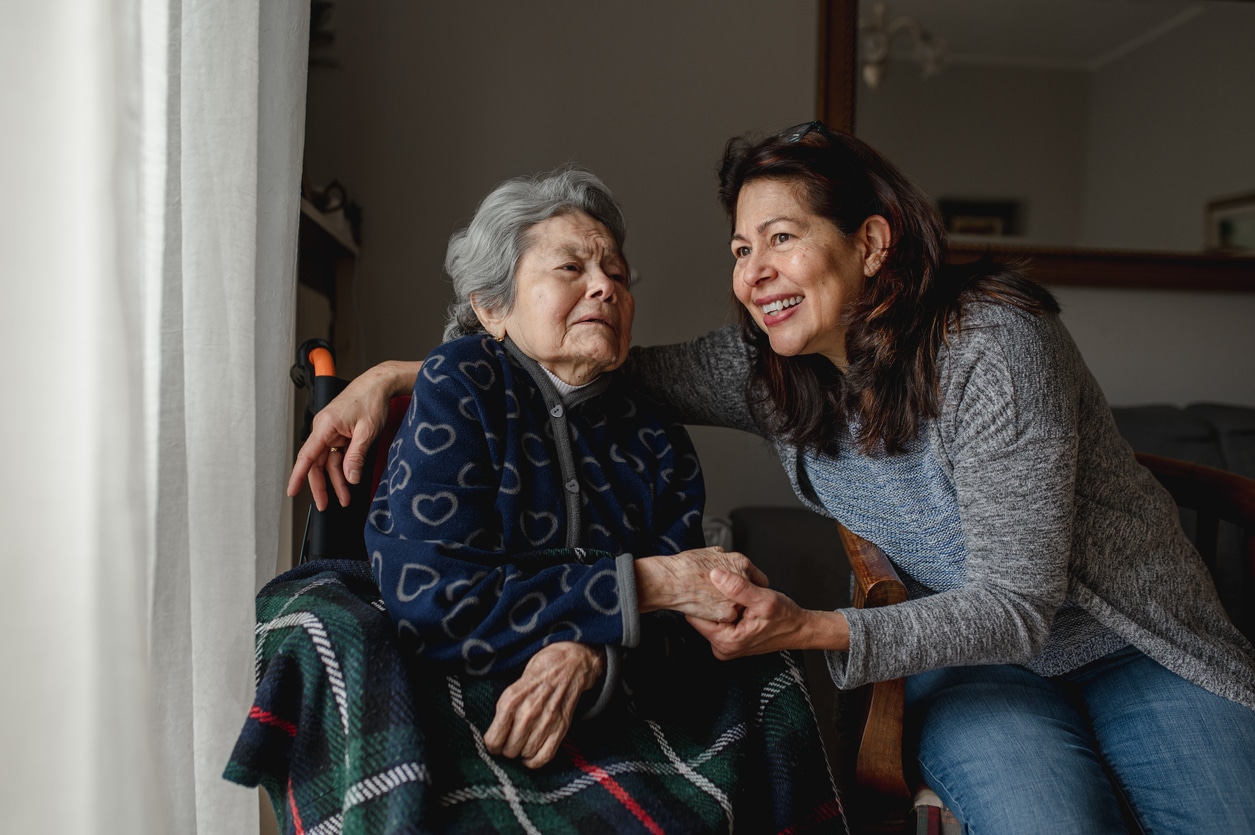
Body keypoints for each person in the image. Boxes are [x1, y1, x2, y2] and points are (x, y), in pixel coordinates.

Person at [291, 124, 1255, 833]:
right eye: (740, 249)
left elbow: (1016, 603)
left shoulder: (993, 346)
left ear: (870, 245)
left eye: (781, 237)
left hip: (1129, 643)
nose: (753, 271)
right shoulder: (764, 368)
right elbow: (580, 362)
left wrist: (801, 627)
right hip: (965, 664)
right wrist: (400, 374)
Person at [273, 165, 842, 833]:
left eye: (618, 275)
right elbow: (438, 594)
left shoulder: (655, 432)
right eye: (570, 268)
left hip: (613, 692)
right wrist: (641, 581)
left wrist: (589, 651)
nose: (604, 285)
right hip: (454, 682)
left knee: (754, 651)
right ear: (493, 308)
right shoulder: (461, 386)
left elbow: (683, 613)